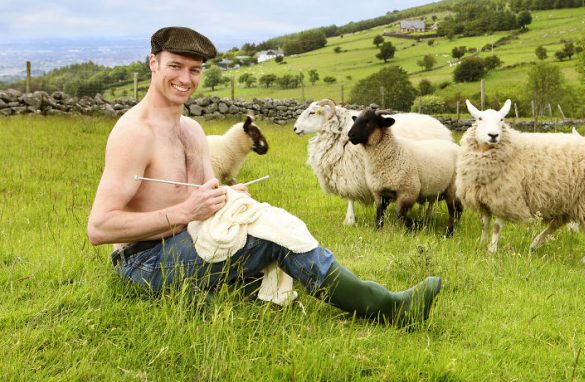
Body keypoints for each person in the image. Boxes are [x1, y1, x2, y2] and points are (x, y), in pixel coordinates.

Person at [87, 26, 442, 325]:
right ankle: (388, 307)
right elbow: (100, 228)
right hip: (143, 262)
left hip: (186, 239)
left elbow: (204, 196)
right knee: (272, 235)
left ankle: (228, 288)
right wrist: (185, 212)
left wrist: (226, 197)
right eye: (175, 66)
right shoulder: (135, 133)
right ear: (153, 63)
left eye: (194, 70)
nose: (185, 78)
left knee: (269, 221)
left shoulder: (191, 130)